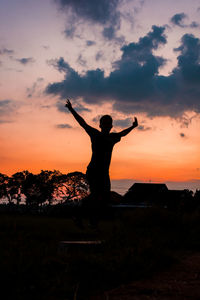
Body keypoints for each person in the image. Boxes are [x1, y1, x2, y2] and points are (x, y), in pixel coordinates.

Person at [65, 99, 138, 224]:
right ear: (100, 125)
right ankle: (81, 215)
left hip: (104, 173)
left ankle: (92, 218)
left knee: (105, 196)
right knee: (95, 195)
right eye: (104, 123)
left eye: (108, 123)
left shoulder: (112, 137)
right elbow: (82, 123)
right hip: (93, 171)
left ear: (111, 126)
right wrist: (71, 109)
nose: (106, 125)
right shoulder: (95, 134)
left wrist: (133, 126)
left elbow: (123, 133)